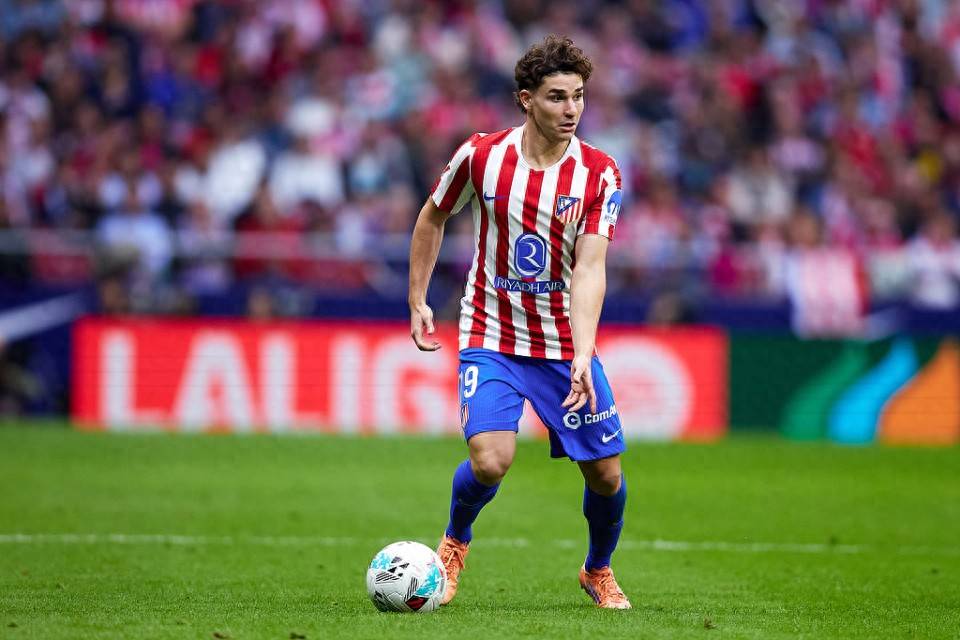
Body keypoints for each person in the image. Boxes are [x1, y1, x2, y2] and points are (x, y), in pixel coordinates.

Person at [407, 35, 630, 609]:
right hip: (492, 334)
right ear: (526, 100)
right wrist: (418, 298)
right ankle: (454, 542)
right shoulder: (480, 156)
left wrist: (583, 351)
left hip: (562, 343)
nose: (571, 109)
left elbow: (591, 268)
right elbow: (433, 216)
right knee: (491, 459)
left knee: (606, 476)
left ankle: (597, 569)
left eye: (578, 96)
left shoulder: (600, 173)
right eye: (557, 97)